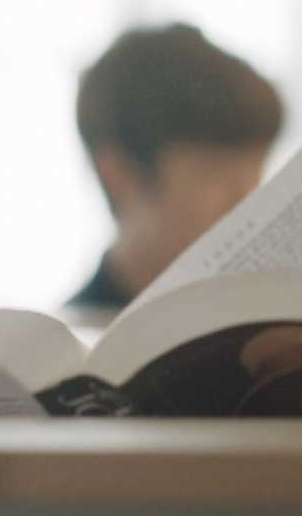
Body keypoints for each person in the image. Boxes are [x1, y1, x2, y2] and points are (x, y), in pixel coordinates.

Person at [67, 23, 283, 315]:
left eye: (256, 171)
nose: (246, 202)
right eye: (215, 175)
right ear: (119, 174)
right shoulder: (67, 352)